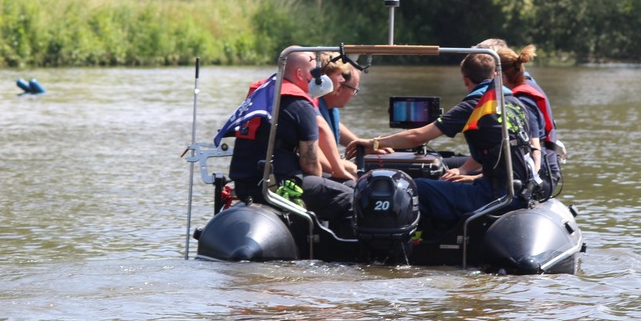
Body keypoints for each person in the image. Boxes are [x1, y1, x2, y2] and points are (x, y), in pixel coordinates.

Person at [346, 52, 539, 228]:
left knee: (415, 187)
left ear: (465, 80)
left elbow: (417, 136)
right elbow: (500, 152)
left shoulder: (476, 105)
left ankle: (415, 250)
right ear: (495, 76)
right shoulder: (517, 104)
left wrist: (374, 143)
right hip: (519, 192)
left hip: (493, 195)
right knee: (451, 183)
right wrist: (470, 175)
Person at [223, 49, 353, 228]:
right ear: (300, 74)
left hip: (245, 185)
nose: (319, 77)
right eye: (314, 72)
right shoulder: (301, 106)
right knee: (349, 196)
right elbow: (311, 167)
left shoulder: (261, 96)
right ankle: (344, 253)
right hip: (275, 186)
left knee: (332, 184)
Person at [476, 37, 564, 184]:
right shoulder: (524, 84)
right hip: (535, 165)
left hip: (542, 173)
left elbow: (534, 147)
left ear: (499, 75)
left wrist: (533, 183)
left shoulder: (521, 100)